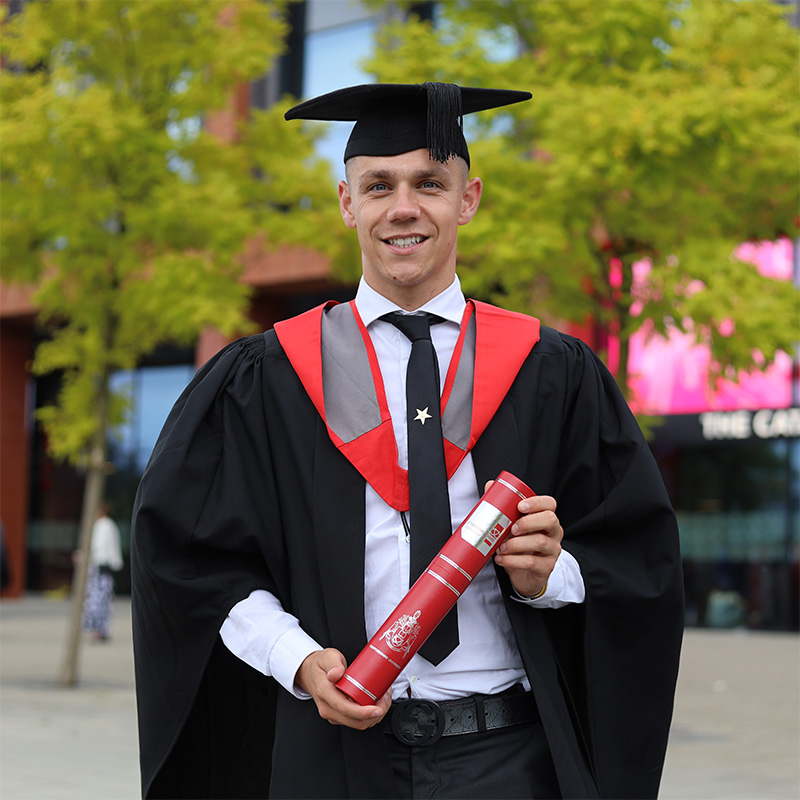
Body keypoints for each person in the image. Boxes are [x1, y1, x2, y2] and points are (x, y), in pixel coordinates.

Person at [131, 82, 684, 800]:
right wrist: (295, 658)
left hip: (509, 760)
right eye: (378, 185)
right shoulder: (268, 377)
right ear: (346, 202)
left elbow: (639, 554)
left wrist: (555, 573)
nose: (403, 207)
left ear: (468, 198)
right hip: (332, 756)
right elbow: (190, 558)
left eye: (429, 183)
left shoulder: (552, 372)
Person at [82, 503, 124, 641]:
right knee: (104, 599)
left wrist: (84, 556)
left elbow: (97, 547)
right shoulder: (110, 525)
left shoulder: (102, 526)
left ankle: (98, 629)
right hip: (107, 566)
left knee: (97, 598)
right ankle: (103, 629)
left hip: (100, 565)